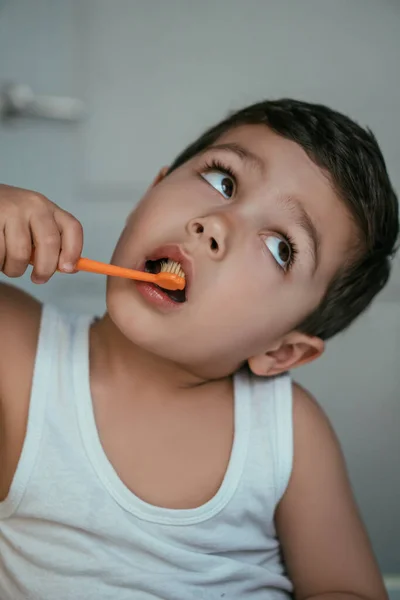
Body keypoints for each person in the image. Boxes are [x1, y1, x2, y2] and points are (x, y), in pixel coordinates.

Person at [0, 99, 398, 600]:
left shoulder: (287, 431)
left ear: (282, 353)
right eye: (224, 181)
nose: (217, 224)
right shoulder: (17, 351)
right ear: (153, 189)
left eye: (281, 247)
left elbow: (347, 591)